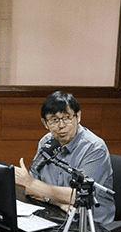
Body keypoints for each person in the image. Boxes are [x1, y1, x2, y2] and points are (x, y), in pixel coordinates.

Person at [14, 91, 115, 224]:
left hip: (89, 222)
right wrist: (59, 202)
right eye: (54, 120)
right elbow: (30, 190)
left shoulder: (95, 148)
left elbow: (79, 197)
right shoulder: (46, 142)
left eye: (67, 118)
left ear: (78, 116)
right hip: (55, 213)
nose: (61, 126)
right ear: (45, 123)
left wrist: (32, 183)